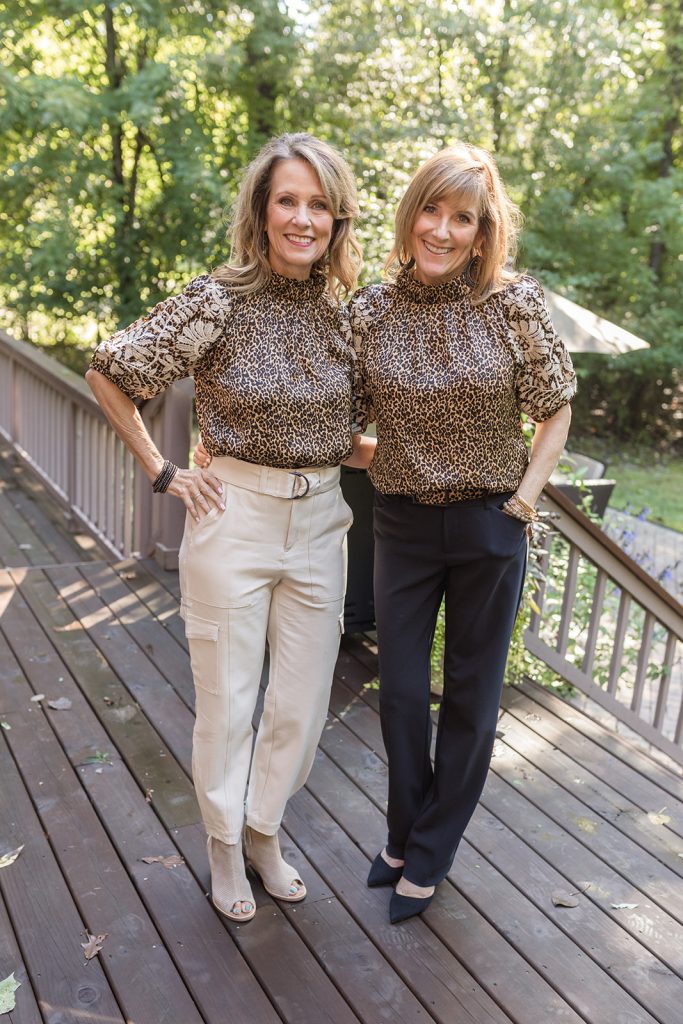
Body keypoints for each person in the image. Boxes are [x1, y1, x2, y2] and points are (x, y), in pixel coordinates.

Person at [86, 133, 374, 923]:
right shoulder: (217, 298)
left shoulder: (343, 316)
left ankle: (262, 828)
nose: (302, 217)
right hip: (231, 519)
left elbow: (348, 438)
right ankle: (221, 846)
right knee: (228, 702)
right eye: (288, 199)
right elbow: (111, 373)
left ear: (337, 219)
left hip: (321, 522)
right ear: (261, 208)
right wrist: (165, 471)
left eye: (318, 204)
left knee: (303, 706)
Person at [350, 142, 577, 923]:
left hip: (490, 525)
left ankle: (430, 851)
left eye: (462, 219)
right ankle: (402, 833)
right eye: (431, 211)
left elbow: (556, 408)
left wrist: (520, 501)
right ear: (410, 214)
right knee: (402, 696)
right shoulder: (370, 310)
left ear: (484, 234)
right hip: (403, 526)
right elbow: (340, 423)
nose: (441, 230)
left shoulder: (514, 305)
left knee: (473, 702)